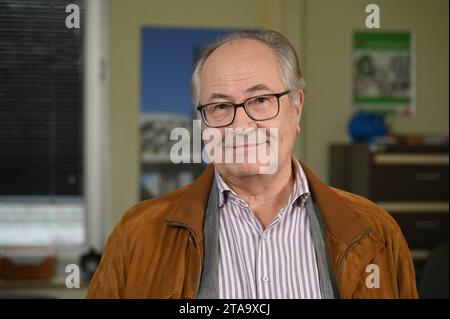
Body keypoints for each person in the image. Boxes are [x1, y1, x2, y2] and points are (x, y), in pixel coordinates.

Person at [87, 30, 418, 299]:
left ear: (296, 108)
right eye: (219, 106)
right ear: (203, 123)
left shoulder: (377, 232)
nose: (240, 126)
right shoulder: (136, 236)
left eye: (260, 100)